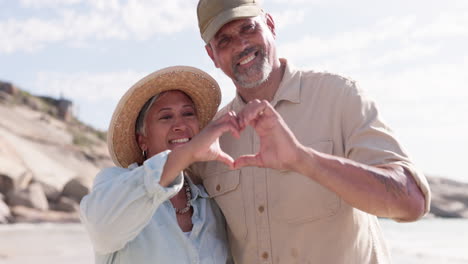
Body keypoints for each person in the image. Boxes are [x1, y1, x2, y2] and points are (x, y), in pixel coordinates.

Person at [194, 0, 432, 263]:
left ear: (270, 25)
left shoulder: (339, 96)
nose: (240, 45)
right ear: (212, 55)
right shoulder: (212, 138)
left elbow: (412, 203)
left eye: (248, 28)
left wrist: (303, 160)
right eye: (224, 40)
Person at [80, 66, 238, 263]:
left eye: (188, 114)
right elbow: (102, 229)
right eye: (166, 116)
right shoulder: (115, 183)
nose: (180, 125)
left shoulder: (209, 203)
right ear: (142, 140)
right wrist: (185, 153)